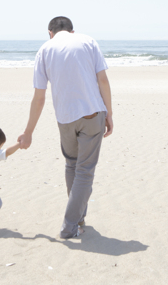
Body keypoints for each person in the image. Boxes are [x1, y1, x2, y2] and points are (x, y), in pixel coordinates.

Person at [18, 16, 113, 239]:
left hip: (65, 119)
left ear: (49, 32)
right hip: (92, 113)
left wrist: (28, 132)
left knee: (72, 165)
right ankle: (70, 225)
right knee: (85, 171)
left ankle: (78, 219)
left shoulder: (44, 49)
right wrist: (109, 113)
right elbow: (103, 81)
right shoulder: (88, 41)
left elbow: (39, 98)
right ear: (72, 31)